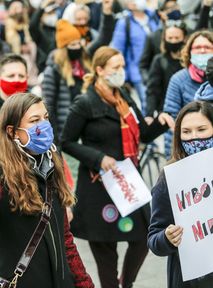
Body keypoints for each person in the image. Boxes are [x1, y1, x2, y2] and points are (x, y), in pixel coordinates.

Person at [61, 46, 174, 288]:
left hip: (127, 181)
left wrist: (161, 123)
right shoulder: (85, 103)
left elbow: (143, 133)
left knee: (146, 234)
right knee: (105, 250)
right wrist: (98, 158)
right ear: (100, 70)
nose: (121, 71)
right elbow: (66, 142)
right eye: (116, 68)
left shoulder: (123, 97)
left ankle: (127, 283)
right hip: (98, 187)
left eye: (122, 66)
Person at [0, 92, 94, 288]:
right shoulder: (3, 177)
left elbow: (65, 239)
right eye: (34, 121)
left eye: (45, 118)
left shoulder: (52, 164)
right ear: (12, 132)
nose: (43, 125)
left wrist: (84, 283)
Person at [148, 100, 213, 288]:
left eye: (201, 130)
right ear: (178, 136)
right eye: (186, 132)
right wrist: (167, 238)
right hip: (191, 279)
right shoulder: (170, 178)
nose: (194, 137)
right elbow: (154, 239)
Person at [163, 29, 213, 158]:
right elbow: (172, 118)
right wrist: (173, 156)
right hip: (188, 149)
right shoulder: (178, 80)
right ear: (189, 52)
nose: (202, 51)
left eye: (207, 47)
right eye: (197, 47)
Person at [111, 0, 159, 115]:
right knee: (147, 105)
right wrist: (123, 75)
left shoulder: (153, 18)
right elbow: (118, 50)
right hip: (138, 72)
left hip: (156, 69)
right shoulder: (124, 22)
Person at [145, 19, 187, 123]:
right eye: (170, 38)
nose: (173, 41)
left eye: (177, 38)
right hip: (167, 113)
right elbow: (153, 90)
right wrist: (149, 114)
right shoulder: (159, 60)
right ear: (164, 39)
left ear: (184, 38)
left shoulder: (190, 60)